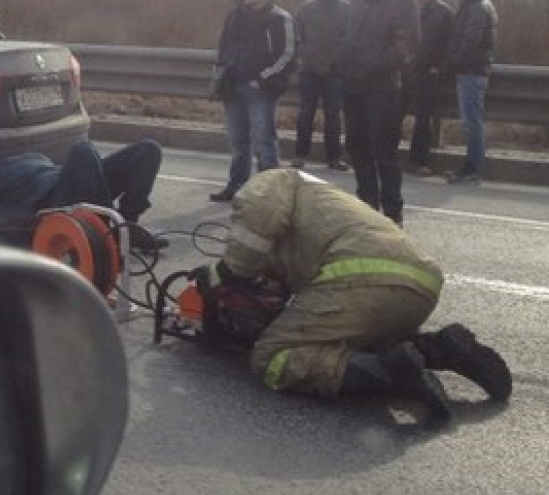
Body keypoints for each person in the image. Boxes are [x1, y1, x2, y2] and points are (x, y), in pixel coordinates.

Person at [191, 168, 511, 426]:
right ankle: (437, 349)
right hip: (421, 282)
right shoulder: (321, 197)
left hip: (361, 277)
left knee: (272, 357)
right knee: (347, 342)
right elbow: (284, 267)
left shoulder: (269, 182)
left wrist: (228, 271)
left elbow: (256, 229)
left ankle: (389, 375)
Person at [0, 139, 168, 250]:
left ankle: (127, 225)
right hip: (56, 200)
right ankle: (114, 233)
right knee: (82, 149)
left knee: (148, 150)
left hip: (71, 181)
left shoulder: (28, 157)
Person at [338, 0, 417, 225]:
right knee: (357, 147)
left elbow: (406, 46)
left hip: (382, 88)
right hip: (353, 86)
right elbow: (348, 36)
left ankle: (393, 213)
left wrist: (374, 64)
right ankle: (366, 208)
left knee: (383, 151)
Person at [209, 0, 296, 203]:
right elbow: (223, 46)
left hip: (261, 90)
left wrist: (262, 79)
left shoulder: (281, 19)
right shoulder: (235, 14)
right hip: (233, 85)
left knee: (263, 140)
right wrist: (219, 75)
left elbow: (288, 55)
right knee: (238, 141)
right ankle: (236, 186)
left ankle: (269, 194)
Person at [290, 0, 350, 171]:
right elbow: (296, 37)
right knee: (306, 113)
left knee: (333, 116)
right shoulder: (305, 9)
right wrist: (305, 57)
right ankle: (300, 154)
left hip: (335, 72)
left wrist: (340, 62)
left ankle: (333, 158)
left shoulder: (347, 10)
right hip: (309, 70)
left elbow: (350, 40)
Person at [444, 0, 498, 185]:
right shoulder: (484, 5)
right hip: (475, 69)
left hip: (471, 70)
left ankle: (472, 168)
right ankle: (471, 166)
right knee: (472, 121)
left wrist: (451, 62)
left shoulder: (476, 8)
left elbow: (470, 40)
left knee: (471, 121)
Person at [405, 0, 455, 177]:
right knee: (390, 115)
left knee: (423, 119)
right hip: (402, 71)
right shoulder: (403, 9)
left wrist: (438, 66)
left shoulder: (445, 13)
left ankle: (418, 161)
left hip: (428, 73)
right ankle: (384, 155)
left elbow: (450, 45)